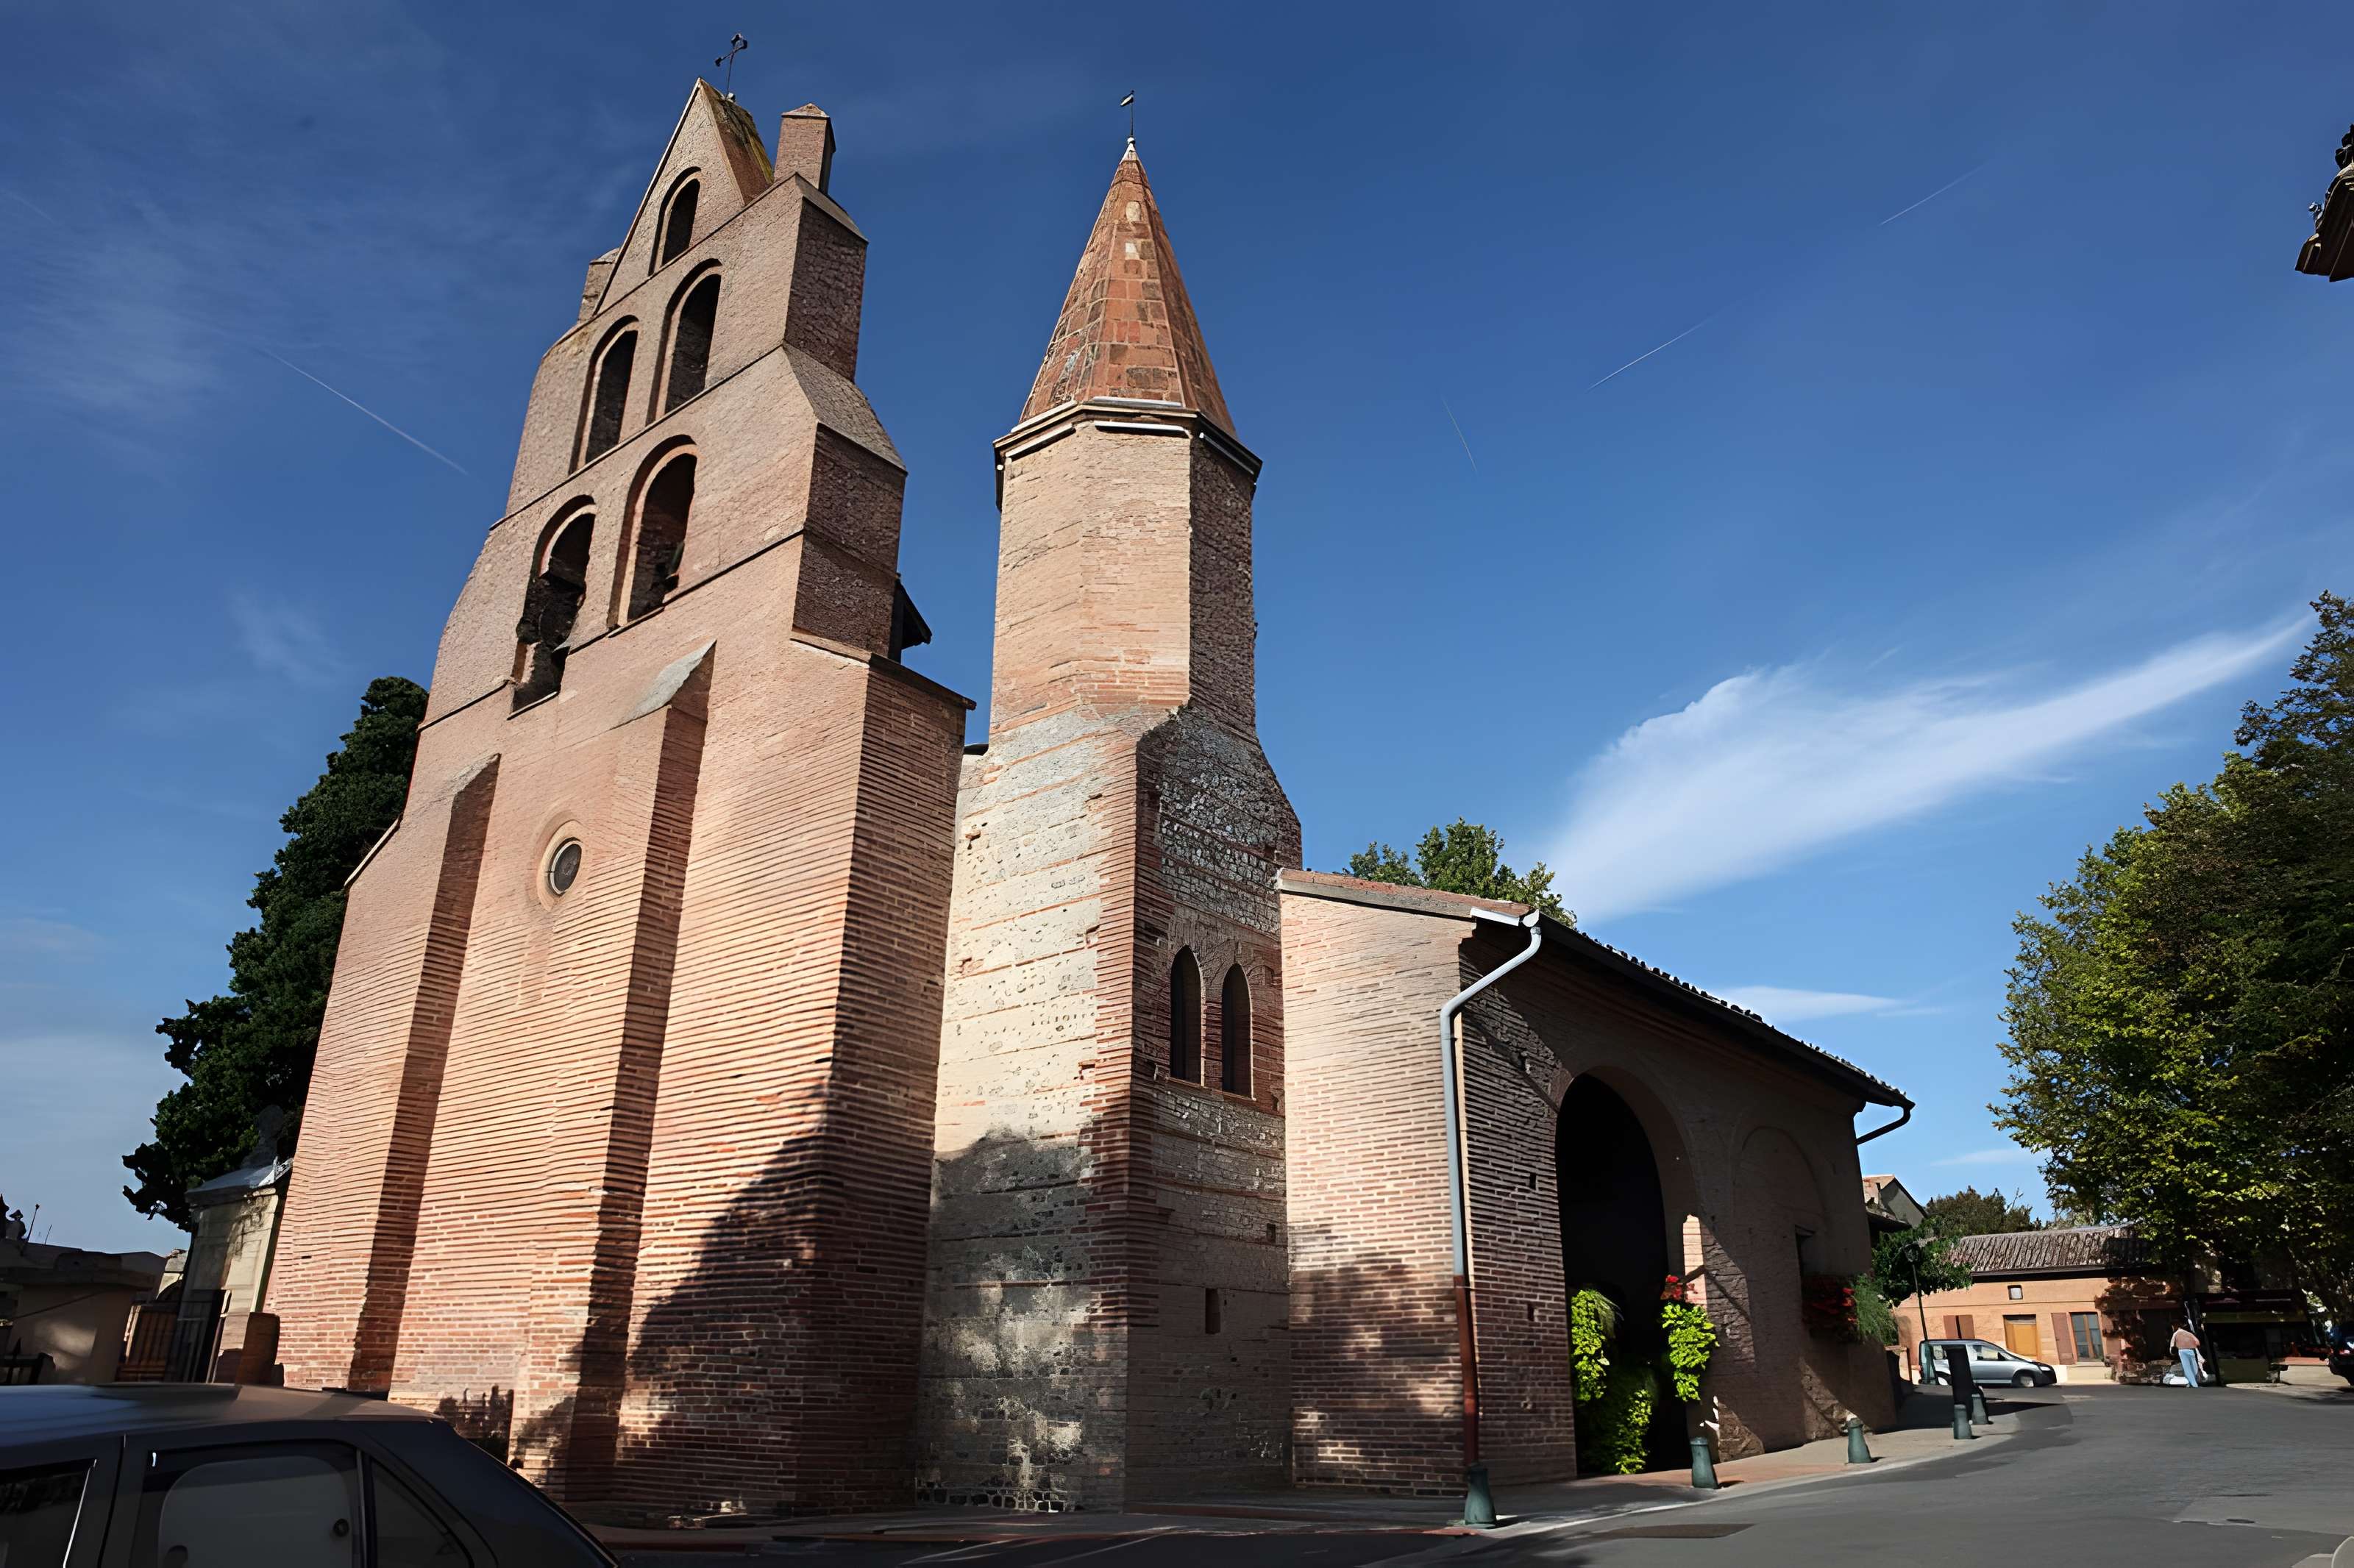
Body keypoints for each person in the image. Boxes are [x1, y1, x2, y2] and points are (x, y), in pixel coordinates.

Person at [2170, 1323, 2205, 1387]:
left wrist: (2172, 1353)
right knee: (2194, 1367)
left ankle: (2194, 1385)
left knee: (2187, 1368)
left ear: (2175, 1327)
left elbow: (2172, 1346)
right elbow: (2198, 1343)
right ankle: (2192, 1382)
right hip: (2191, 1350)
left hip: (2182, 1351)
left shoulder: (2176, 1334)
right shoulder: (2189, 1334)